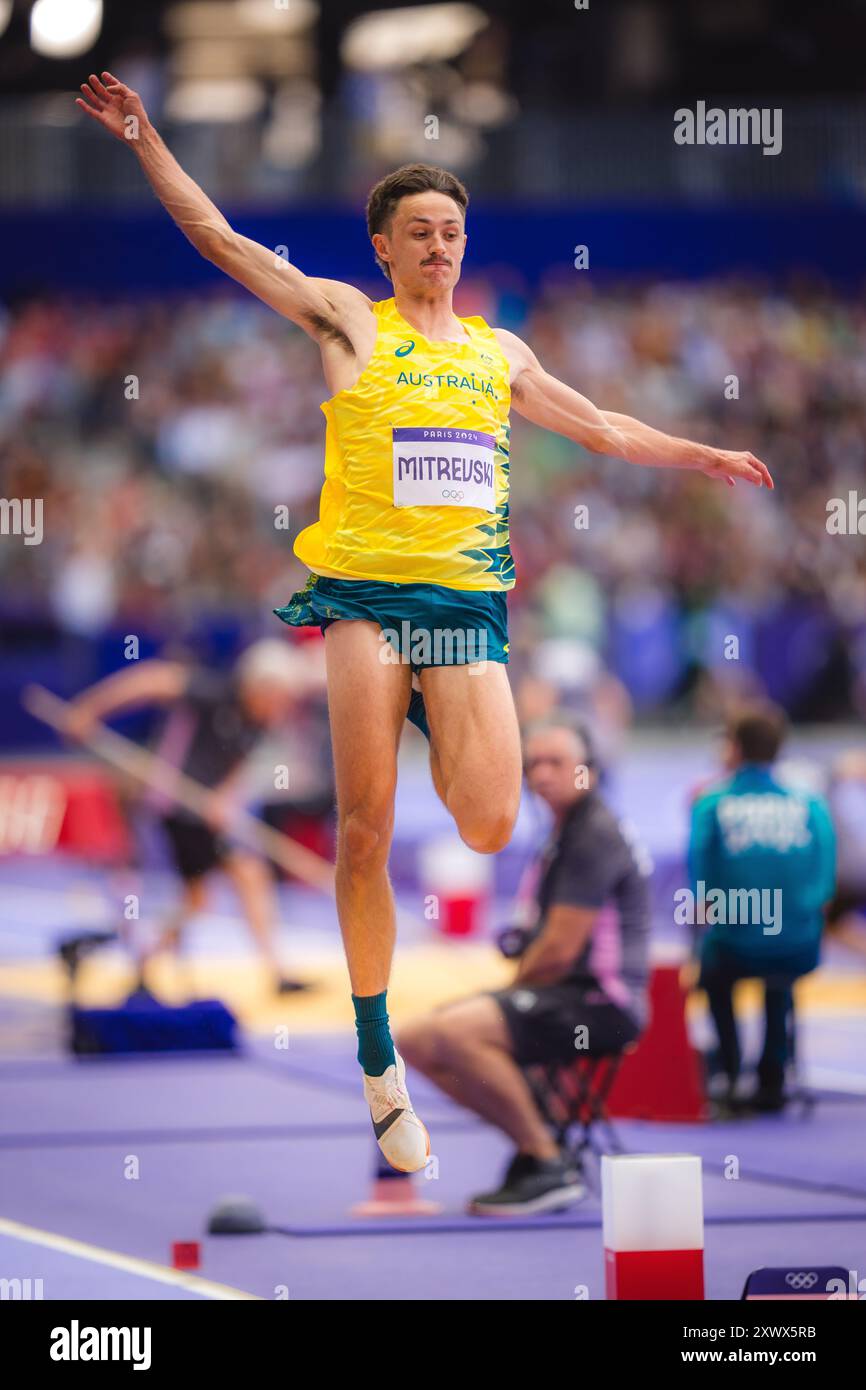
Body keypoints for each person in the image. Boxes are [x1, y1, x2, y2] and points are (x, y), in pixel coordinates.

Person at [77, 70, 772, 1174]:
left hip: (462, 608)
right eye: (418, 232)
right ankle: (377, 1058)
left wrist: (701, 452)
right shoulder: (348, 321)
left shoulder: (499, 354)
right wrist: (145, 139)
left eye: (451, 230)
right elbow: (221, 242)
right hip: (364, 599)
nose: (439, 246)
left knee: (490, 822)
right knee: (363, 827)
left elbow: (600, 426)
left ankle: (430, 717)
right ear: (384, 248)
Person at [399, 716, 652, 1214]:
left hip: (600, 1002)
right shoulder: (561, 831)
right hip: (563, 991)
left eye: (556, 763)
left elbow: (558, 951)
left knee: (458, 1032)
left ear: (588, 770)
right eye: (533, 764)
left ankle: (546, 1160)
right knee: (416, 1039)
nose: (541, 775)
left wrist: (505, 996)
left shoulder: (593, 834)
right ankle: (538, 1137)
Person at [66, 640, 316, 994]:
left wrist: (225, 798)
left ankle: (272, 970)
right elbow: (150, 679)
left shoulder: (262, 720)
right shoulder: (213, 692)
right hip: (171, 808)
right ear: (259, 685)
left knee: (237, 880)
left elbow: (238, 764)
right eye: (280, 697)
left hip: (201, 813)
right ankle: (129, 955)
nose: (283, 707)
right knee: (200, 894)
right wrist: (89, 709)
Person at [688, 703, 836, 1114]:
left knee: (714, 973)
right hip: (798, 948)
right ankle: (773, 1074)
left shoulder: (711, 804)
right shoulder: (811, 805)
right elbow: (825, 887)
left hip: (736, 948)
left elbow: (701, 889)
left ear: (733, 747)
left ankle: (730, 1069)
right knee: (779, 972)